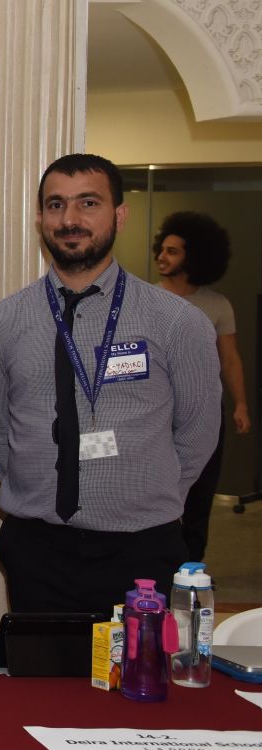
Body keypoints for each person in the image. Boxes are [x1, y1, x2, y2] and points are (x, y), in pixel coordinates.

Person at [0, 154, 220, 614]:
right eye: (56, 205)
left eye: (88, 203)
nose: (70, 219)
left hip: (142, 548)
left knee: (139, 663)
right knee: (41, 663)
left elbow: (199, 432)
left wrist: (146, 495)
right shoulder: (0, 324)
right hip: (37, 548)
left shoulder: (177, 322)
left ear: (119, 215)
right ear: (40, 219)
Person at [154, 211, 252, 563]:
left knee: (199, 496)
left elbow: (231, 360)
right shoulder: (148, 301)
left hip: (206, 414)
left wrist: (240, 404)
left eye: (173, 251)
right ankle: (156, 569)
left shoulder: (217, 305)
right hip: (159, 414)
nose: (162, 257)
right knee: (160, 494)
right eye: (162, 249)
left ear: (194, 257)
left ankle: (191, 571)